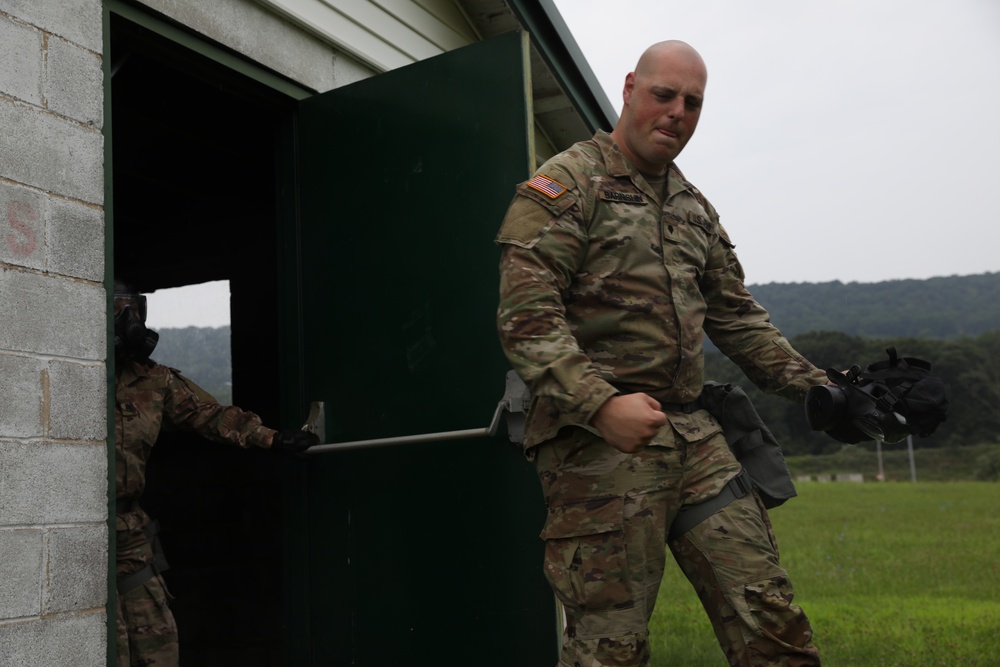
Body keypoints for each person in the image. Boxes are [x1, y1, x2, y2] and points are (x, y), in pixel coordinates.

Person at [495, 41, 826, 666]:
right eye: (663, 95)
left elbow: (737, 318)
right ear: (629, 88)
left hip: (693, 434)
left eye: (693, 103)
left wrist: (821, 387)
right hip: (597, 443)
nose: (677, 113)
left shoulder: (692, 207)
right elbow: (527, 319)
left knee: (769, 615)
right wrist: (600, 406)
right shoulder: (567, 184)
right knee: (610, 648)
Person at [112, 280, 316, 667]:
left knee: (158, 644)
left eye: (133, 309)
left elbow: (210, 414)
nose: (128, 320)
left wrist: (273, 440)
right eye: (118, 310)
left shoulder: (155, 381)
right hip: (78, 531)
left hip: (129, 536)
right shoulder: (74, 374)